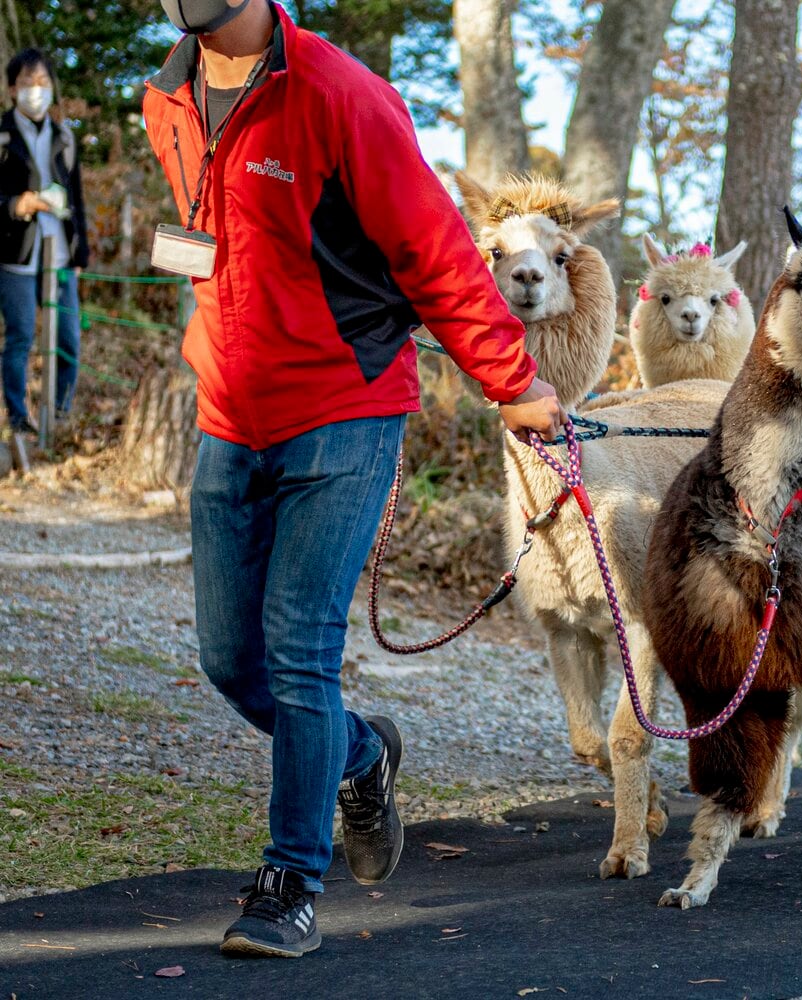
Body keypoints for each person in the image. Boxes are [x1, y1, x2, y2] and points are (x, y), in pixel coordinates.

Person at [143, 0, 563, 959]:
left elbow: (437, 252)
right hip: (228, 417)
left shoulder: (341, 97)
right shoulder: (165, 97)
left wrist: (514, 381)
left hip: (345, 409)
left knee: (298, 651)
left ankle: (290, 882)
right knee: (228, 660)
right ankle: (362, 752)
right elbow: (210, 244)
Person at [1, 49, 88, 436]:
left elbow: (78, 197)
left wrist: (80, 250)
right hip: (15, 252)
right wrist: (17, 204)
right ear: (10, 89)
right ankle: (19, 418)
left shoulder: (65, 137)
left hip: (61, 253)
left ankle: (59, 413)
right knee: (20, 336)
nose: (35, 91)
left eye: (42, 83)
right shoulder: (3, 136)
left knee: (69, 337)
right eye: (26, 84)